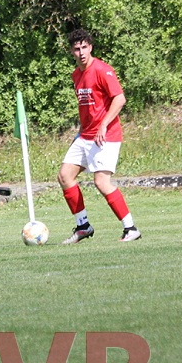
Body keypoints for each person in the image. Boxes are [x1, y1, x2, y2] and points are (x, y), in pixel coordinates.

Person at [57, 29, 142, 244]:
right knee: (65, 176)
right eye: (77, 49)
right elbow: (87, 108)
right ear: (72, 52)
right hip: (85, 136)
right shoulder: (76, 75)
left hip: (106, 136)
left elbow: (120, 99)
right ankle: (83, 226)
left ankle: (130, 228)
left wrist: (103, 125)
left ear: (91, 47)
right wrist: (80, 133)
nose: (81, 52)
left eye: (84, 47)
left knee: (101, 182)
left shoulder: (103, 70)